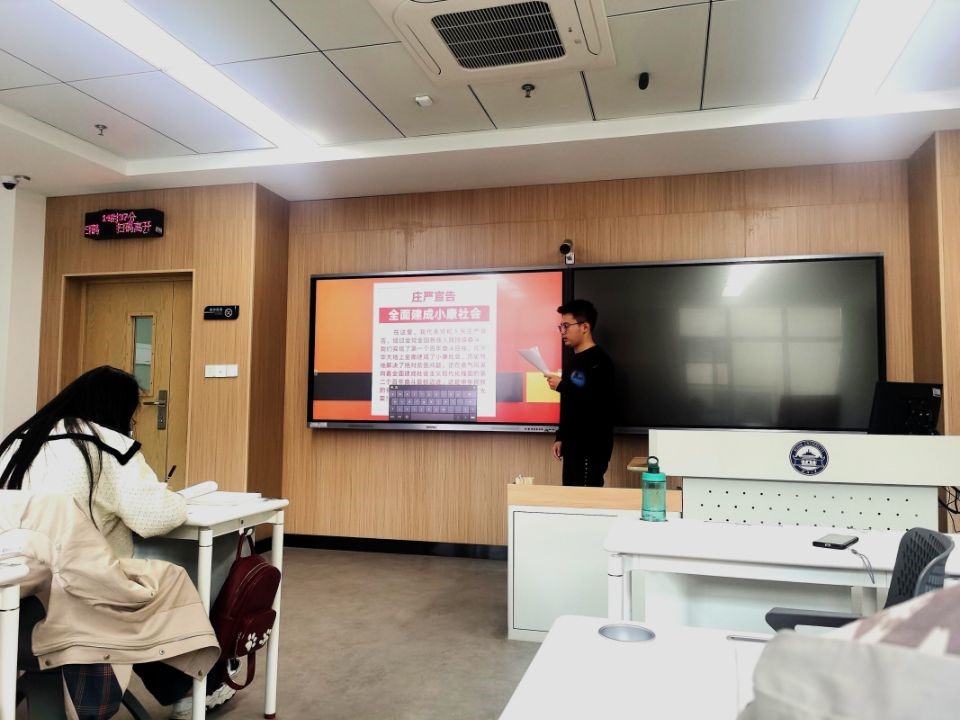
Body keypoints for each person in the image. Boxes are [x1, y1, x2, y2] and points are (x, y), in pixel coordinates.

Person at [0, 365, 187, 558]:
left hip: (12, 569)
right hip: (73, 571)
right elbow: (156, 516)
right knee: (174, 574)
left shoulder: (19, 440)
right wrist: (177, 499)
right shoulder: (109, 444)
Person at [544, 299, 615, 486]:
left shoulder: (600, 361)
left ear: (585, 327)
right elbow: (569, 404)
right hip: (572, 445)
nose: (563, 332)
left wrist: (562, 386)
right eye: (561, 327)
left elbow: (598, 403)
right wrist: (561, 437)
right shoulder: (572, 359)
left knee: (586, 499)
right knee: (569, 497)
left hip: (592, 446)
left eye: (566, 326)